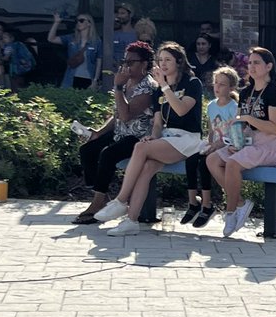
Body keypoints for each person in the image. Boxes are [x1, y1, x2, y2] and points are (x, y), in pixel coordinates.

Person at [94, 42, 204, 236]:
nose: (163, 64)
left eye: (168, 59)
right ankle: (131, 220)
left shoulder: (192, 83)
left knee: (139, 149)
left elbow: (181, 109)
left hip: (188, 139)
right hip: (167, 139)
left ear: (179, 62)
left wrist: (164, 86)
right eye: (160, 60)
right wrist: (151, 138)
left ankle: (120, 201)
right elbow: (158, 124)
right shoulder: (157, 91)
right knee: (145, 166)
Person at [205, 47, 276, 238]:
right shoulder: (246, 92)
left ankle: (230, 213)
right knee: (212, 160)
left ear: (269, 66)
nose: (251, 66)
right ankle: (239, 202)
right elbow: (242, 125)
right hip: (252, 143)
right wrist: (235, 142)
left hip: (275, 146)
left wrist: (247, 118)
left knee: (232, 163)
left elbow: (274, 128)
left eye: (256, 63)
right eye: (249, 62)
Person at [74, 41, 156, 224]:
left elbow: (126, 115)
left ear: (144, 64)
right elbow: (117, 114)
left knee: (107, 154)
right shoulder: (126, 83)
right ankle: (100, 195)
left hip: (139, 137)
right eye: (124, 61)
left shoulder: (148, 87)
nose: (126, 66)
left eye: (131, 62)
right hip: (121, 132)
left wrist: (118, 87)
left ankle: (97, 202)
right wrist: (99, 132)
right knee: (87, 150)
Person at [181, 65, 240, 229]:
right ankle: (193, 203)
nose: (217, 87)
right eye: (216, 83)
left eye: (222, 84)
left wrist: (214, 146)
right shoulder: (211, 106)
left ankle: (207, 205)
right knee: (191, 160)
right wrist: (208, 144)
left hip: (226, 146)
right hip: (214, 143)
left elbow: (231, 134)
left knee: (204, 163)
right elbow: (211, 130)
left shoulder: (234, 107)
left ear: (231, 88)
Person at [47, 12, 101, 89]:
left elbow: (99, 61)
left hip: (88, 78)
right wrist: (56, 22)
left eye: (81, 20)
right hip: (71, 77)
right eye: (77, 21)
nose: (78, 23)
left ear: (89, 23)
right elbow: (51, 39)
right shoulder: (71, 38)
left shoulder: (96, 42)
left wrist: (95, 80)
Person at [111, 1, 138, 66]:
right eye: (118, 13)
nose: (119, 16)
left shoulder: (137, 35)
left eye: (122, 13)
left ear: (130, 15)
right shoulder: (113, 34)